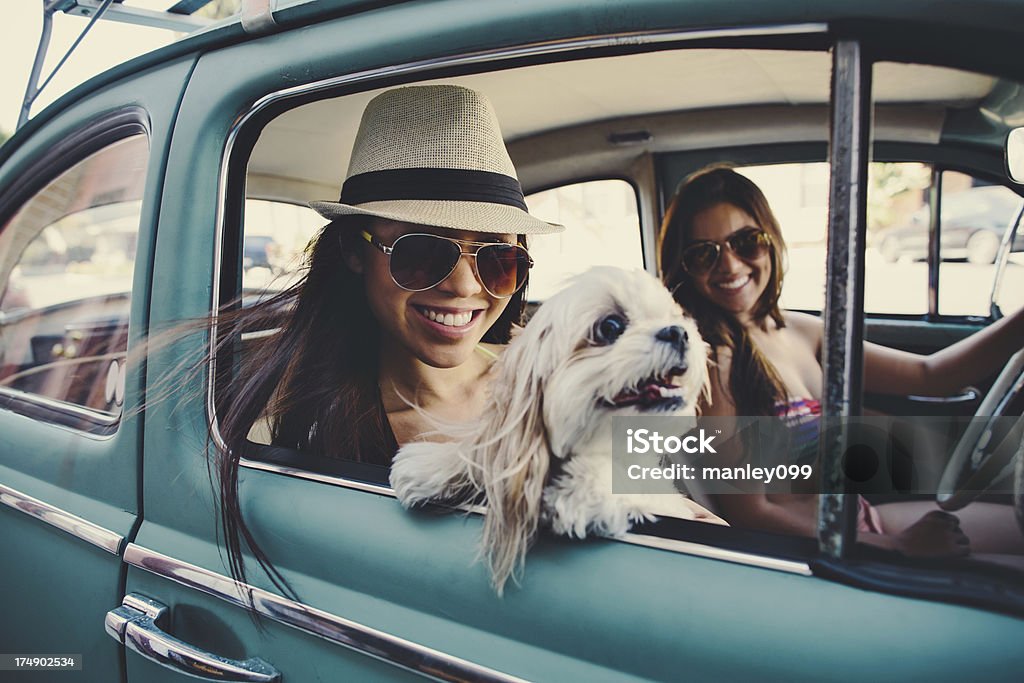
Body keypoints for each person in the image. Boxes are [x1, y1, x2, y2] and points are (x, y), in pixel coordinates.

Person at [202, 84, 562, 594]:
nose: (464, 287)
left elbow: (678, 489)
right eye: (419, 252)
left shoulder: (557, 374)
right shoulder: (284, 435)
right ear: (354, 249)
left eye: (496, 258)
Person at [658, 164, 1024, 558]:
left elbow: (930, 375)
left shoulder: (800, 331)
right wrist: (894, 547)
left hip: (859, 520)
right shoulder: (714, 364)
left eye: (747, 242)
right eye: (703, 255)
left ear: (771, 241)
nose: (730, 266)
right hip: (821, 551)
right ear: (684, 267)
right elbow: (753, 513)